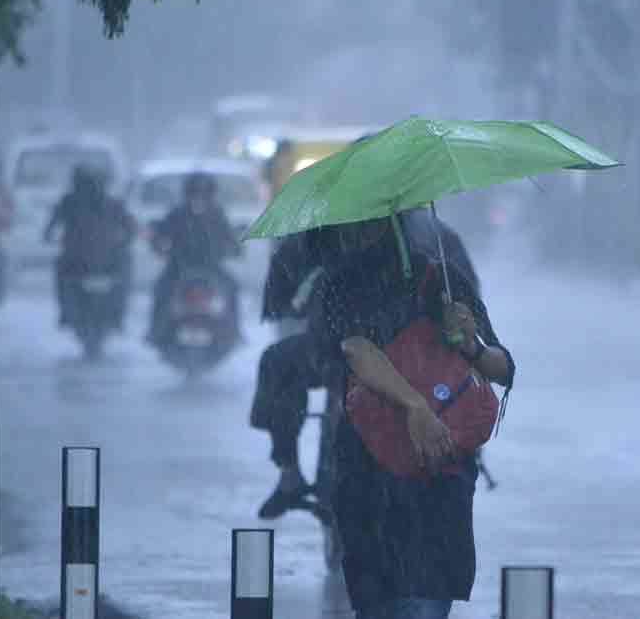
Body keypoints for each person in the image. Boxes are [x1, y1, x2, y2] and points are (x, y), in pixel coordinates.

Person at [309, 213, 514, 619]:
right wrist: (416, 407)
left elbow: (503, 368)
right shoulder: (339, 283)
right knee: (384, 605)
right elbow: (357, 351)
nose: (358, 232)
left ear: (393, 220)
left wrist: (470, 343)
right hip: (369, 481)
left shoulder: (442, 278)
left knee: (425, 603)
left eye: (369, 222)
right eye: (353, 224)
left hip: (439, 480)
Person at [252, 211, 482, 520]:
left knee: (278, 362)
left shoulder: (324, 234)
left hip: (346, 354)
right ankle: (289, 472)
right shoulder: (435, 236)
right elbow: (470, 301)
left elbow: (283, 295)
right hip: (370, 356)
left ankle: (288, 472)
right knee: (278, 362)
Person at [146, 171, 241, 344]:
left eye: (204, 194)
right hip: (178, 268)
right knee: (161, 289)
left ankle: (234, 331)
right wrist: (159, 244)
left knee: (232, 288)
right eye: (195, 193)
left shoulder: (217, 215)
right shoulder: (176, 214)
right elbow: (160, 235)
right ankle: (155, 330)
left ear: (211, 195)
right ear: (187, 194)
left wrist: (235, 248)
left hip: (211, 269)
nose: (199, 198)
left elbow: (230, 239)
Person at [44, 164, 137, 327]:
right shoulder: (112, 204)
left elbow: (50, 229)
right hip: (95, 261)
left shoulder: (69, 203)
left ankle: (66, 313)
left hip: (82, 261)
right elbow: (131, 229)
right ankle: (116, 316)